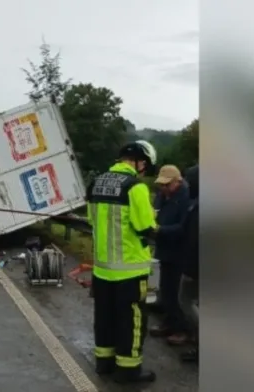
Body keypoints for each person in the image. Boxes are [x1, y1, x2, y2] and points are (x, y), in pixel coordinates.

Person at [86, 140, 159, 384]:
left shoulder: (96, 183)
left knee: (104, 317)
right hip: (130, 270)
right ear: (139, 161)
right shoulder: (134, 186)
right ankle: (128, 372)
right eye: (145, 166)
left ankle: (104, 363)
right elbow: (145, 226)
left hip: (102, 269)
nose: (145, 170)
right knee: (132, 322)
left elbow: (91, 220)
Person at [149, 165, 191, 346]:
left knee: (176, 293)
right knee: (165, 289)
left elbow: (184, 228)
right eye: (162, 185)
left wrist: (160, 230)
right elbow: (154, 212)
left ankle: (182, 329)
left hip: (179, 251)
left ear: (178, 181)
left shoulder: (186, 197)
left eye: (167, 185)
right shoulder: (162, 196)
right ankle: (169, 322)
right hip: (164, 248)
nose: (163, 188)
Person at [178, 164, 199, 362]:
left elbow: (194, 240)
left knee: (186, 301)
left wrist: (190, 269)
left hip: (196, 266)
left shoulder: (197, 206)